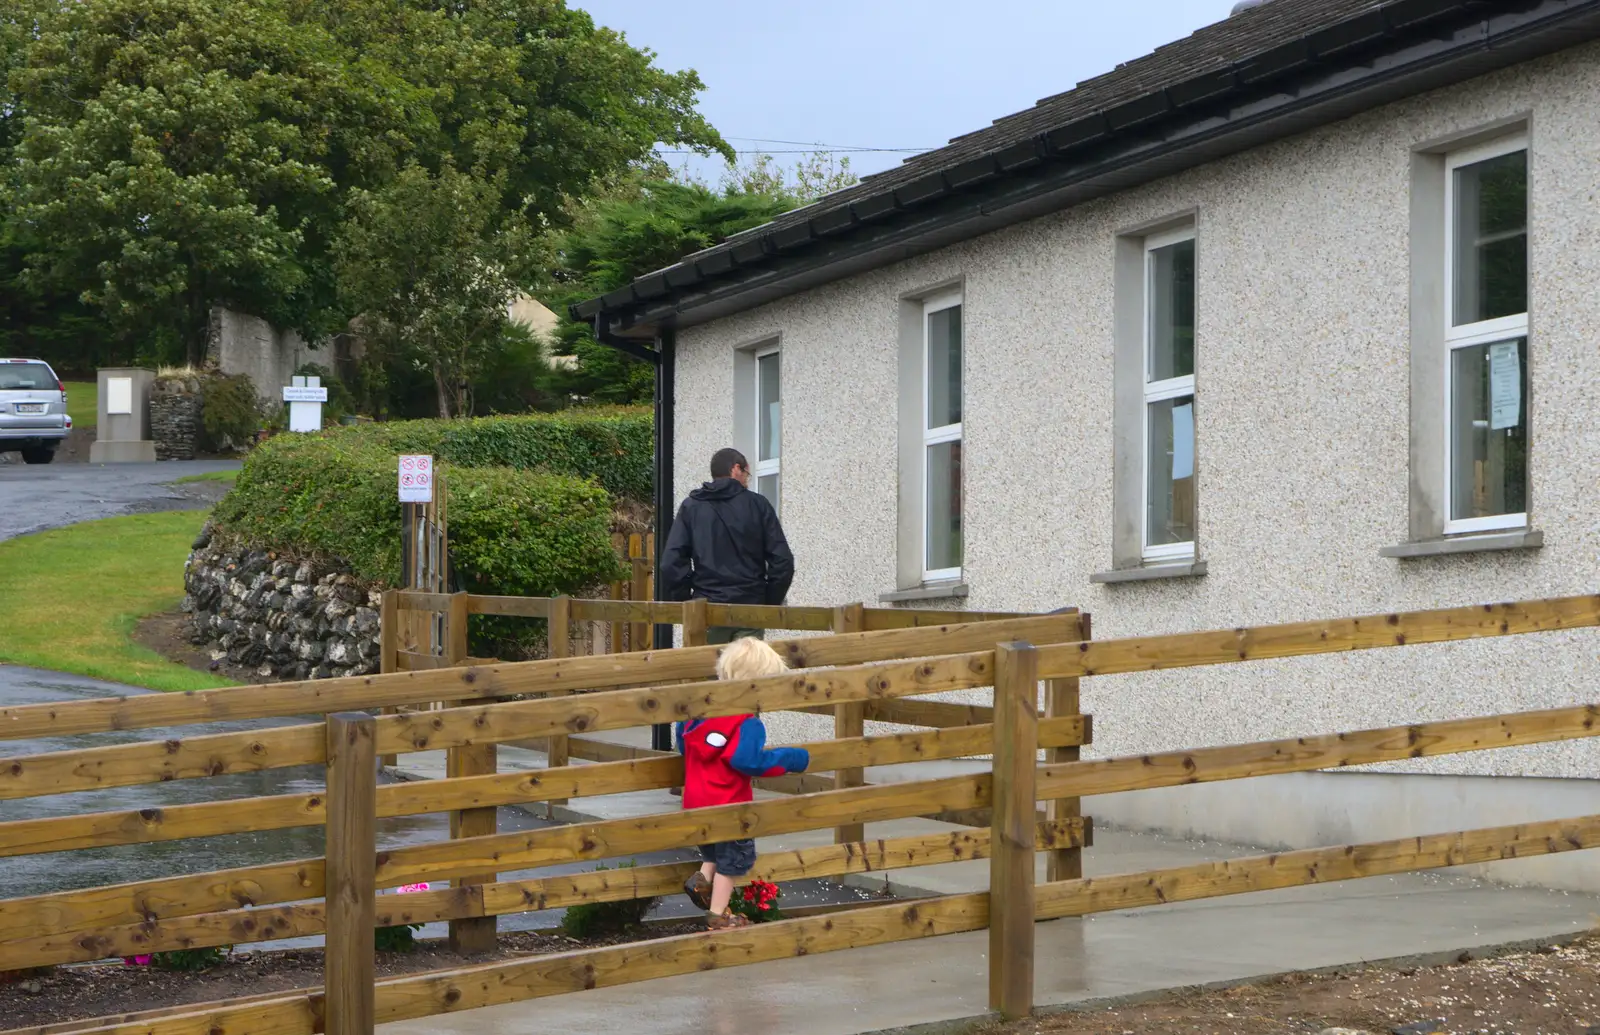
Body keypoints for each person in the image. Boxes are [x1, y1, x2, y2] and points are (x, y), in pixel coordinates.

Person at [676, 636, 810, 929]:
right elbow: (747, 761)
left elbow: (683, 743)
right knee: (733, 861)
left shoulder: (699, 714)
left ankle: (701, 879)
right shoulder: (747, 722)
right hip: (729, 805)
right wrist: (791, 759)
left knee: (714, 850)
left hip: (696, 802)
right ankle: (718, 914)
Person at [660, 447, 794, 644]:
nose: (747, 480)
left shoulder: (692, 507)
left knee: (708, 671)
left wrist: (688, 600)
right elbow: (782, 561)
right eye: (747, 474)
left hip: (707, 609)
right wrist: (767, 602)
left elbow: (670, 562)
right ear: (736, 469)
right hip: (750, 609)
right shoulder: (758, 505)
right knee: (747, 672)